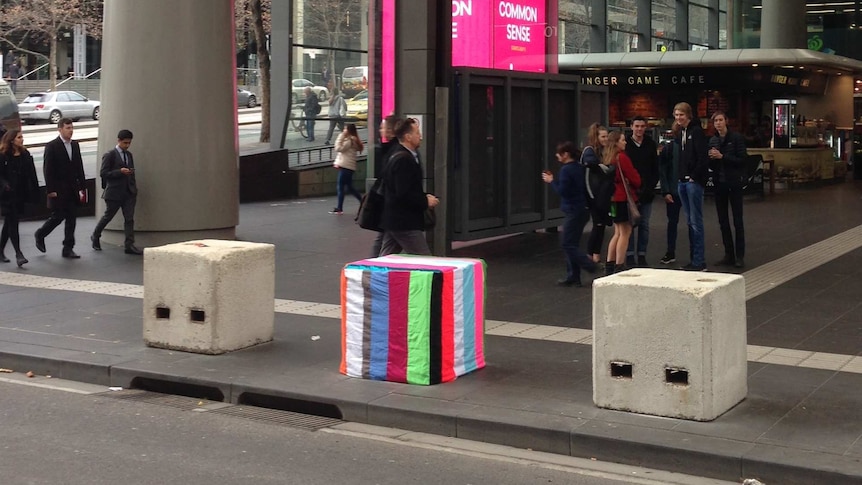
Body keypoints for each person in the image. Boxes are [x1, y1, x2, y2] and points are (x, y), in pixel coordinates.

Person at [378, 117, 439, 256]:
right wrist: (425, 201)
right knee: (425, 261)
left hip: (395, 220)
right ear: (408, 137)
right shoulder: (403, 160)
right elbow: (403, 193)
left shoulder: (401, 155)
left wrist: (423, 197)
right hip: (404, 222)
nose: (421, 136)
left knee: (386, 259)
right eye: (417, 133)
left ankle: (373, 277)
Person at [541, 141, 597, 287]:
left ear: (566, 154)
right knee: (572, 243)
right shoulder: (579, 168)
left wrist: (551, 181)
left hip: (573, 210)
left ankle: (589, 266)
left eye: (559, 153)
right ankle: (573, 276)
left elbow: (563, 192)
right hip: (582, 209)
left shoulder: (566, 170)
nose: (557, 156)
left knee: (567, 244)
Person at [34, 118, 86, 259]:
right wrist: (50, 190)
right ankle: (41, 233)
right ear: (60, 129)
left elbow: (78, 166)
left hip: (73, 189)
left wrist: (83, 186)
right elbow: (48, 169)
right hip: (59, 189)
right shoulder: (52, 146)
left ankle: (68, 248)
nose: (71, 130)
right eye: (68, 128)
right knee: (58, 217)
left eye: (71, 127)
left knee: (71, 218)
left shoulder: (75, 145)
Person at [91, 129, 142, 255]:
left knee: (129, 219)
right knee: (108, 216)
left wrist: (133, 187)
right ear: (118, 141)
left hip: (128, 192)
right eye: (125, 143)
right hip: (114, 193)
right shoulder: (110, 155)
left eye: (129, 143)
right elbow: (103, 173)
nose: (127, 145)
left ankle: (129, 245)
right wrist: (120, 172)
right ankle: (96, 235)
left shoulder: (129, 155)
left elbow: (132, 172)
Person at [708, 111, 748, 268]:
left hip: (734, 182)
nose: (718, 123)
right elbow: (711, 164)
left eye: (720, 120)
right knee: (722, 220)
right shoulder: (713, 140)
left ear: (726, 121)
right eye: (715, 121)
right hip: (720, 183)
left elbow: (742, 159)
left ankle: (740, 255)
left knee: (738, 220)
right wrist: (711, 158)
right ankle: (728, 254)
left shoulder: (736, 138)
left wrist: (723, 156)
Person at [674, 102, 710, 271]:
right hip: (683, 181)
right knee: (689, 222)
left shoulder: (696, 132)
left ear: (688, 115)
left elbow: (702, 157)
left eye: (681, 114)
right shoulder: (681, 132)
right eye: (676, 115)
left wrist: (693, 177)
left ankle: (699, 260)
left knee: (696, 222)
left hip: (692, 182)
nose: (678, 118)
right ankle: (693, 259)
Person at [0, 129, 39, 267]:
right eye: (19, 137)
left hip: (20, 194)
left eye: (22, 137)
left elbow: (32, 174)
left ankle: (0, 251)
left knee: (9, 223)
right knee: (13, 223)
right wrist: (5, 185)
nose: (22, 139)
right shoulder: (3, 155)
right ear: (11, 140)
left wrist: (35, 192)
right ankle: (18, 253)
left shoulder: (25, 154)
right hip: (6, 196)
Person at [604, 131, 640, 275]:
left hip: (612, 199)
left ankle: (609, 264)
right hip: (623, 198)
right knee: (625, 232)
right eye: (623, 140)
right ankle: (619, 265)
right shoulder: (622, 158)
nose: (625, 142)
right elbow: (635, 178)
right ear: (617, 142)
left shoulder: (609, 157)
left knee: (617, 232)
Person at [624, 116, 659, 267]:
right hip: (630, 192)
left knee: (644, 224)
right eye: (636, 126)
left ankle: (642, 254)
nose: (639, 129)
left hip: (647, 191)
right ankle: (630, 254)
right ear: (631, 126)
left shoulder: (650, 144)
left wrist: (650, 187)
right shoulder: (625, 144)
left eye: (642, 126)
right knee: (629, 224)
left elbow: (655, 168)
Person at [366, 114, 401, 258]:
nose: (380, 130)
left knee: (382, 240)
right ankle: (374, 267)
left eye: (383, 127)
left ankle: (373, 267)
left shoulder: (388, 150)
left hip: (387, 205)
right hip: (391, 206)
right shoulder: (393, 150)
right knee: (384, 240)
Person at [581, 123, 613, 264]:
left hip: (602, 194)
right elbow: (592, 170)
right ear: (597, 137)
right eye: (603, 136)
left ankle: (595, 254)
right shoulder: (590, 152)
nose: (606, 139)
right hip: (593, 195)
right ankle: (591, 254)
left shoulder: (604, 152)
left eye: (607, 136)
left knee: (601, 225)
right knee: (598, 224)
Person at [658, 122, 682, 265]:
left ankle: (671, 252)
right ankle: (671, 251)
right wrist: (666, 191)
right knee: (674, 223)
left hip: (674, 190)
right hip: (674, 190)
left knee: (673, 223)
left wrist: (665, 191)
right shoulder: (670, 148)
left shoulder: (670, 148)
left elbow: (663, 170)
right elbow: (663, 170)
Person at [329, 123, 364, 215]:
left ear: (348, 130)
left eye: (345, 129)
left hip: (345, 167)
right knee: (349, 187)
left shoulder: (350, 141)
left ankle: (340, 208)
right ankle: (363, 202)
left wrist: (340, 136)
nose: (344, 130)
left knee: (340, 187)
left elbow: (338, 148)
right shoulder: (353, 140)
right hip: (349, 167)